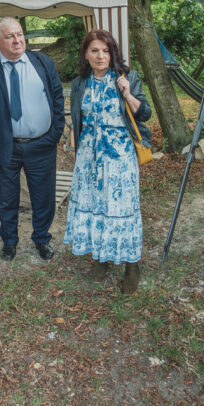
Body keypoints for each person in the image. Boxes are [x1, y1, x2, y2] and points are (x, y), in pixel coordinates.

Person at [0, 18, 65, 261]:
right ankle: (10, 242)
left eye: (20, 34)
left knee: (43, 197)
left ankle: (42, 239)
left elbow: (57, 99)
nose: (17, 40)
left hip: (41, 144)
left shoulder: (42, 62)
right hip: (5, 146)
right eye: (10, 36)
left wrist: (55, 133)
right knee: (6, 198)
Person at [64, 29, 151, 294]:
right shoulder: (81, 82)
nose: (100, 56)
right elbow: (77, 116)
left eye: (105, 50)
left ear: (112, 53)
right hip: (89, 157)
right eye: (94, 51)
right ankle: (100, 260)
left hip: (119, 158)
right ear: (86, 55)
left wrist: (127, 94)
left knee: (122, 210)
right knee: (95, 207)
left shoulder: (127, 78)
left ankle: (132, 265)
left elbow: (145, 114)